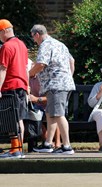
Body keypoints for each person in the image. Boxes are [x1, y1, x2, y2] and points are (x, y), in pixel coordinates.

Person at [29, 24, 75, 154]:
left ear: (37, 34)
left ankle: (67, 146)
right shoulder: (60, 44)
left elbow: (41, 64)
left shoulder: (45, 45)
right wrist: (67, 77)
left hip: (55, 84)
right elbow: (72, 61)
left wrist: (29, 74)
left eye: (33, 37)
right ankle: (48, 144)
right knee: (50, 113)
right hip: (61, 83)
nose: (34, 41)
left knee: (58, 114)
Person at [0, 19, 28, 158]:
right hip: (21, 86)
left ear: (4, 31)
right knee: (19, 119)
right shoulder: (22, 45)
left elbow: (3, 69)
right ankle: (18, 149)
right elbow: (25, 67)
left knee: (11, 119)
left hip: (10, 86)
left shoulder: (6, 46)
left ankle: (15, 150)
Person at [28, 59, 61, 149]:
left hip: (48, 103)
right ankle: (48, 141)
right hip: (38, 106)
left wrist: (37, 99)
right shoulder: (29, 79)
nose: (30, 70)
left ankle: (58, 142)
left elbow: (51, 98)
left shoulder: (44, 79)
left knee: (54, 115)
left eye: (32, 68)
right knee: (33, 115)